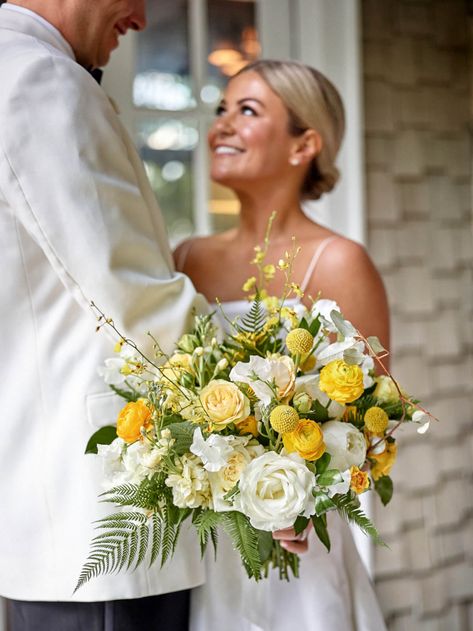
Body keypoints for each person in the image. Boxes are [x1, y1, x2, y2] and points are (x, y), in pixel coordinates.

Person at [0, 1, 209, 630]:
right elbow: (134, 299)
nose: (142, 18)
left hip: (58, 513)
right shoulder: (38, 78)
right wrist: (285, 363)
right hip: (103, 516)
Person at [174, 60, 389, 630]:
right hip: (205, 550)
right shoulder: (185, 259)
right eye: (221, 109)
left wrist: (304, 501)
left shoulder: (340, 262)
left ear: (304, 145)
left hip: (298, 551)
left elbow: (375, 427)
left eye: (247, 111)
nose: (221, 124)